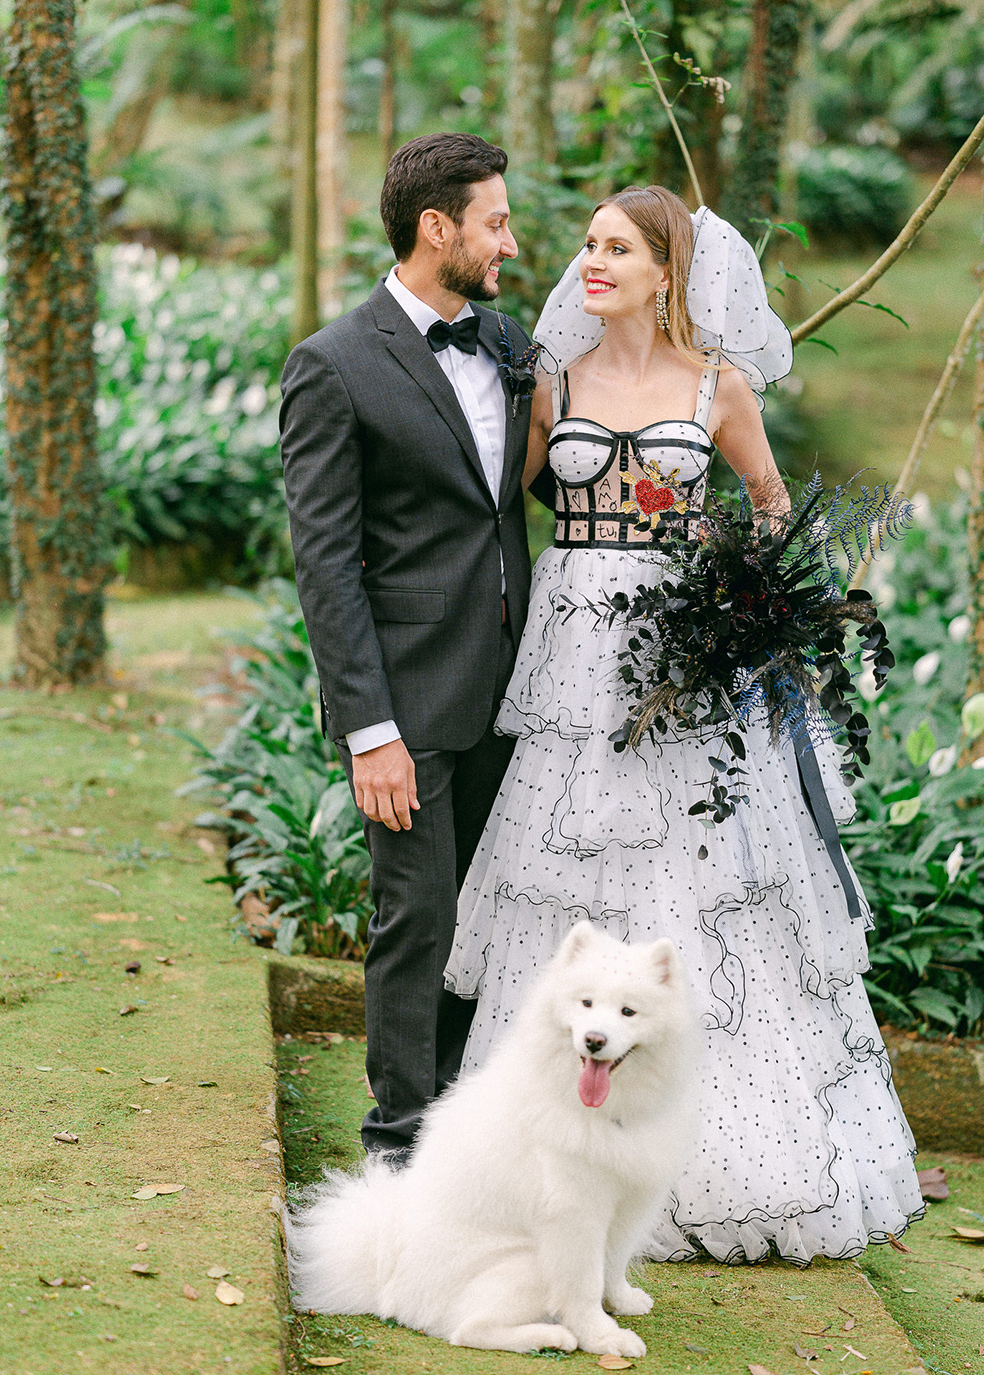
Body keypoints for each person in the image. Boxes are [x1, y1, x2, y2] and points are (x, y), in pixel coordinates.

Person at [444, 185, 925, 1265]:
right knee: (566, 884)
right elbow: (497, 506)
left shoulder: (719, 386)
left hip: (686, 670)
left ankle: (721, 1159)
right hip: (573, 662)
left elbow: (767, 511)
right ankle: (545, 1156)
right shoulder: (551, 381)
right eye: (587, 245)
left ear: (670, 271)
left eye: (616, 248)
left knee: (699, 887)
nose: (590, 262)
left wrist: (737, 600)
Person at [279, 132, 541, 1163]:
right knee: (418, 920)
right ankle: (398, 1150)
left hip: (512, 690)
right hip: (407, 701)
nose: (510, 242)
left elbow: (523, 500)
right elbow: (327, 567)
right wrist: (369, 731)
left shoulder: (511, 341)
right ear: (437, 228)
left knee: (487, 927)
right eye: (495, 222)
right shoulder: (331, 366)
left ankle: (467, 1135)